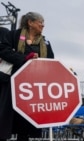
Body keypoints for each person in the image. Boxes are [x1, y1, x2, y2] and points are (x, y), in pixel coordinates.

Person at [0, 12, 54, 141]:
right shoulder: (14, 35)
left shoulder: (45, 42)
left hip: (32, 87)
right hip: (11, 83)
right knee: (6, 118)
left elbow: (51, 60)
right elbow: (2, 50)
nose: (43, 25)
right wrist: (24, 58)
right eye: (40, 22)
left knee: (26, 119)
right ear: (30, 22)